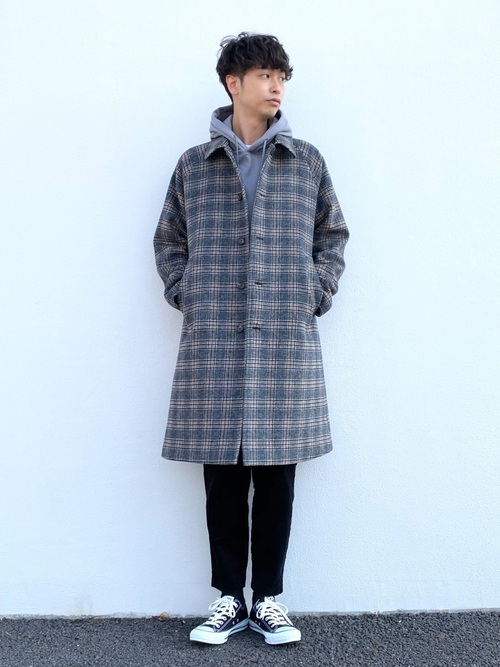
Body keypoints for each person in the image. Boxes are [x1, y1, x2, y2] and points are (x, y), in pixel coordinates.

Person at [154, 32, 349, 645]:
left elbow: (332, 236)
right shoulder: (194, 165)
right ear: (233, 84)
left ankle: (267, 599)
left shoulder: (306, 161)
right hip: (214, 341)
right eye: (265, 75)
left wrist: (314, 291)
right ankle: (227, 599)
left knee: (277, 476)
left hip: (284, 341)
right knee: (222, 476)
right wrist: (188, 293)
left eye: (282, 77)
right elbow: (169, 240)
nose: (276, 87)